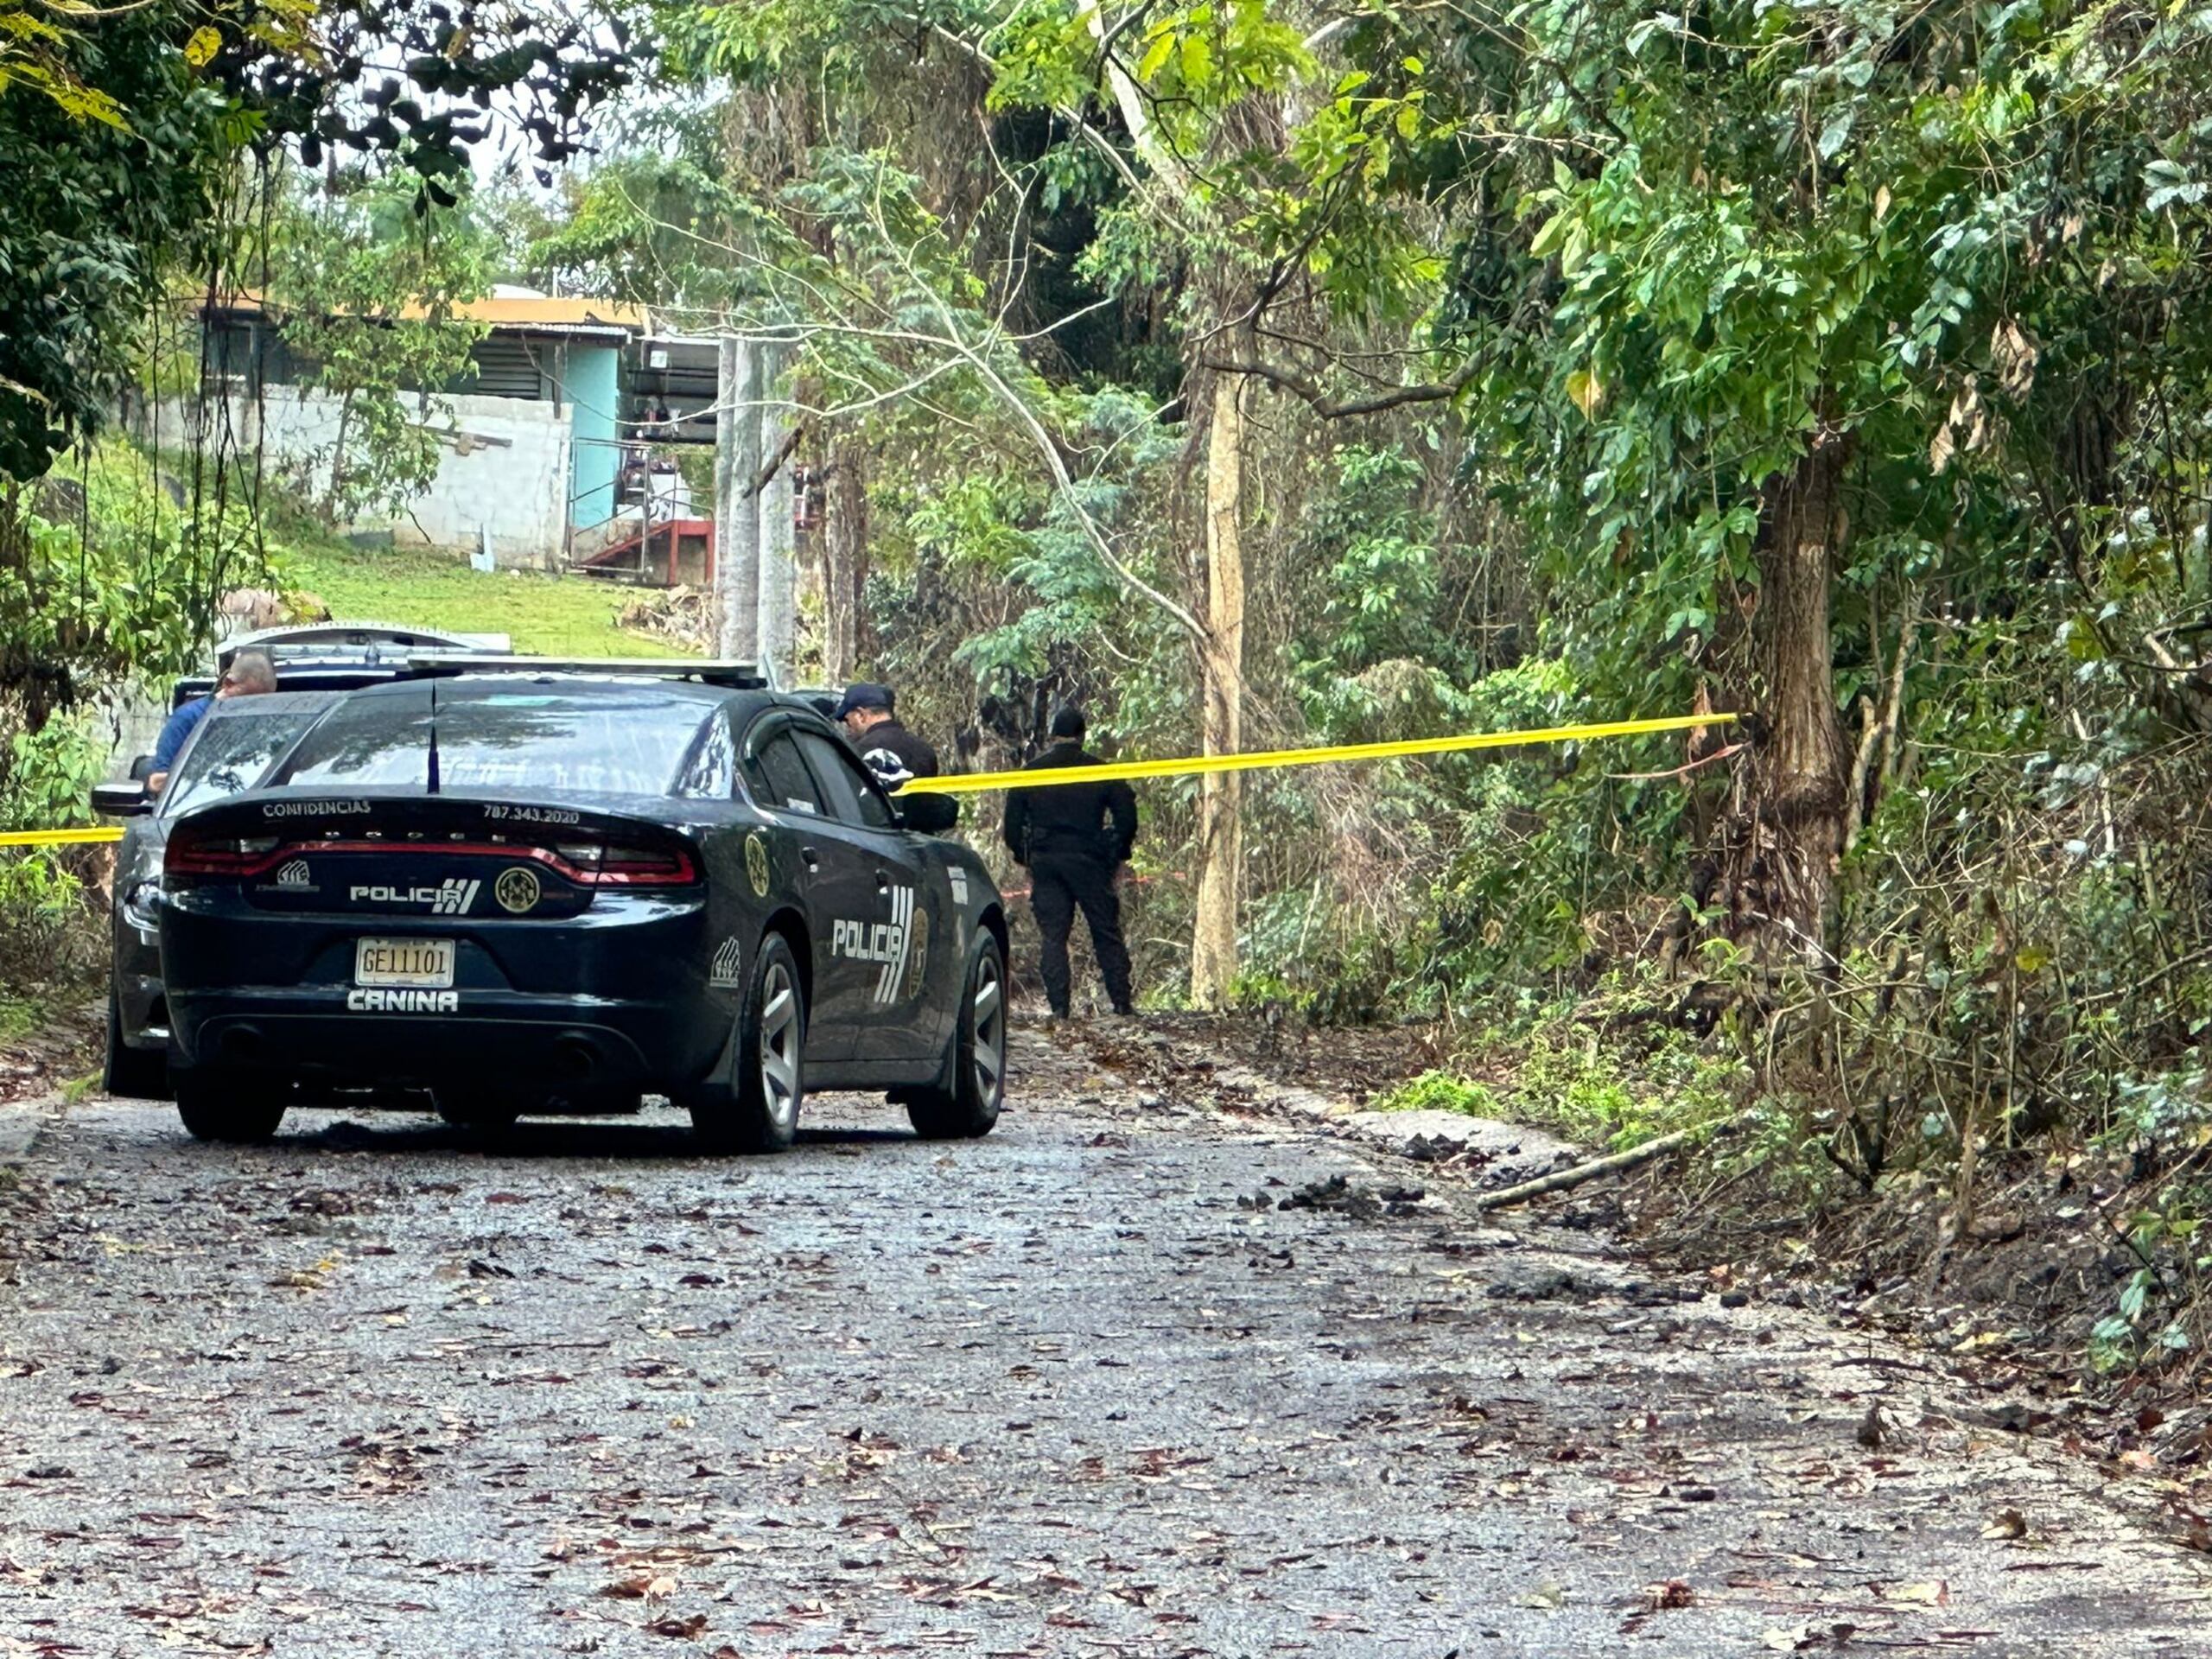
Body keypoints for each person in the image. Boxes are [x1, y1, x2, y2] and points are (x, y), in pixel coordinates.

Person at [1002, 704, 1137, 1019]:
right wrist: (1116, 852)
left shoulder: (1031, 772)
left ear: (1053, 736)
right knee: (1105, 932)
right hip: (1090, 860)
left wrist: (1026, 857)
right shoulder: (1101, 770)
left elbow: (1011, 826)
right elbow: (1126, 817)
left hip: (1047, 861)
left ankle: (1059, 1009)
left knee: (1053, 937)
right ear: (1083, 735)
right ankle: (1121, 1003)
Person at [146, 648, 278, 794]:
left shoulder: (267, 727)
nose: (252, 709)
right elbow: (157, 782)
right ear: (228, 684)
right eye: (247, 699)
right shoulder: (188, 718)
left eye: (261, 703)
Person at [834, 682, 939, 791]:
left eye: (847, 720)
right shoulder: (924, 749)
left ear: (861, 715)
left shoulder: (858, 752)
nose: (847, 727)